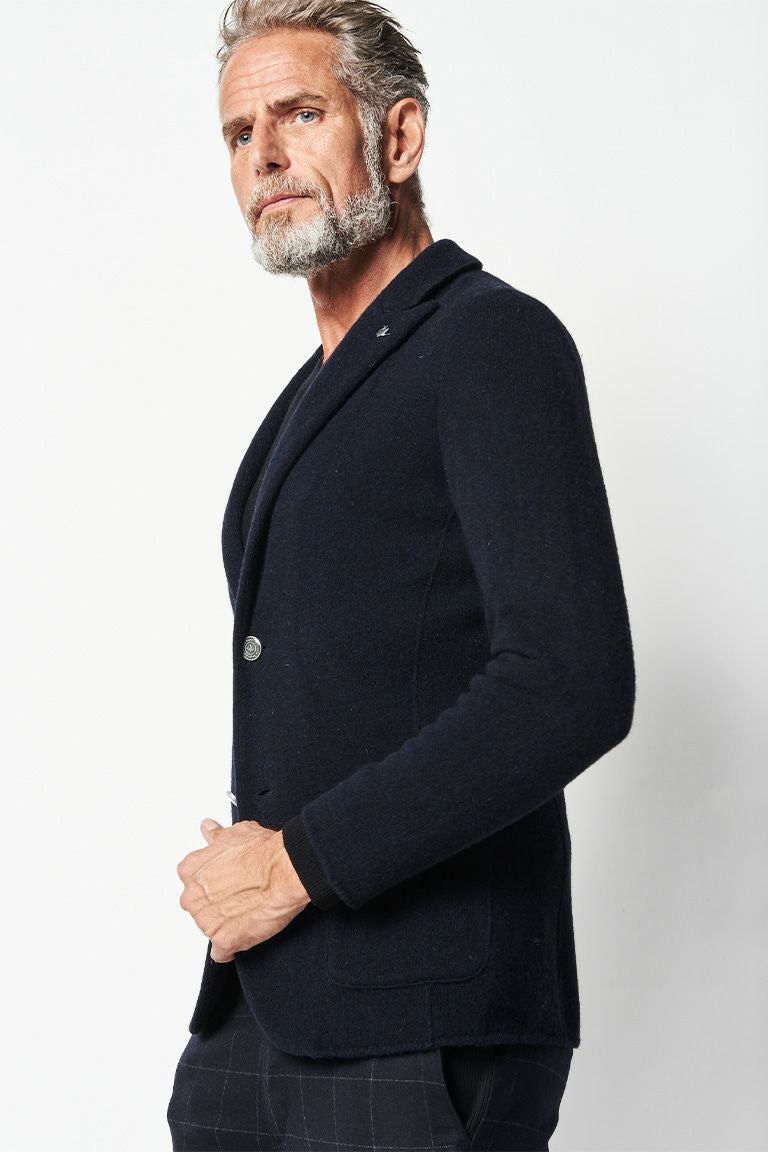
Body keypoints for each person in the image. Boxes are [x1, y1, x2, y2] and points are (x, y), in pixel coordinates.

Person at [167, 2, 636, 1148]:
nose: (264, 156)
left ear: (400, 135)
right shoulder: (310, 397)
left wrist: (297, 865)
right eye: (238, 133)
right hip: (258, 1024)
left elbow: (570, 680)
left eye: (299, 114)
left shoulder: (490, 342)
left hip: (420, 1026)